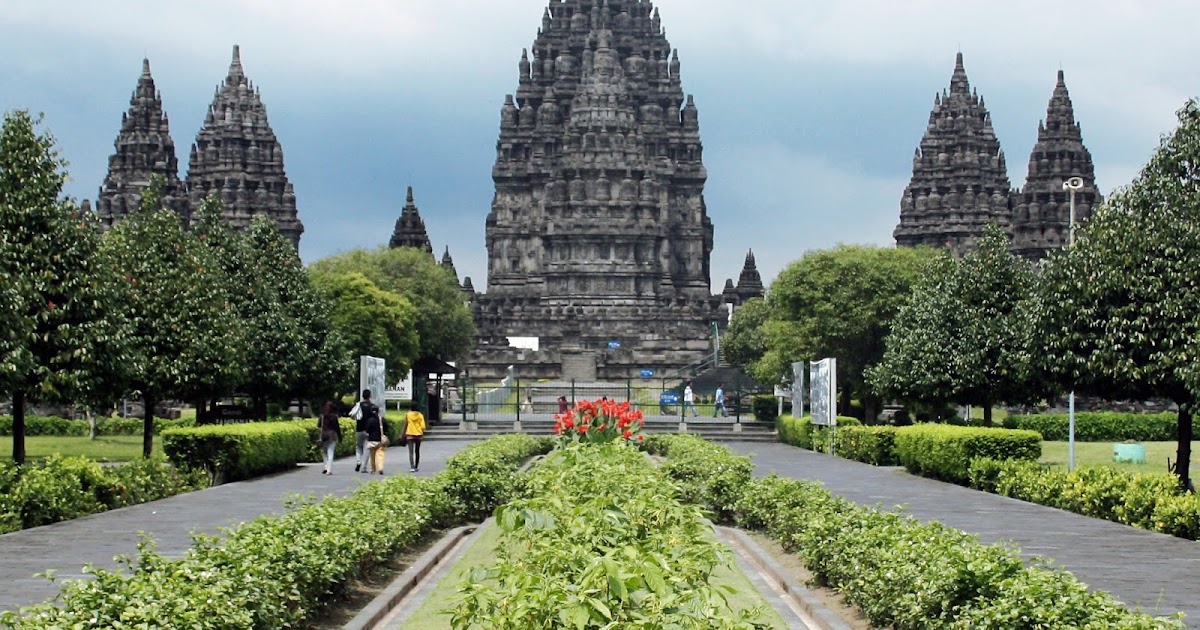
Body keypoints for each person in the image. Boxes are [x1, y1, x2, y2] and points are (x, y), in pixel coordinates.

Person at [349, 389, 378, 473]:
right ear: (370, 396)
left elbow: (352, 414)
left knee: (358, 446)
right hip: (369, 430)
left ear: (362, 396)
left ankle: (358, 461)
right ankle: (364, 467)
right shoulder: (372, 406)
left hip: (359, 429)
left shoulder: (359, 405)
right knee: (367, 448)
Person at [363, 393, 390, 475]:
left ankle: (372, 469)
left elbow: (367, 430)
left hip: (371, 440)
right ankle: (380, 468)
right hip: (380, 440)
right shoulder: (382, 419)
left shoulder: (370, 420)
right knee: (380, 455)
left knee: (372, 455)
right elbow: (386, 428)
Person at [316, 401, 342, 475]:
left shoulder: (322, 416)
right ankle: (329, 469)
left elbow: (318, 426)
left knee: (324, 452)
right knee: (330, 453)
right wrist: (340, 437)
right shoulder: (334, 416)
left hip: (324, 435)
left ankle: (325, 466)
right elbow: (337, 428)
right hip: (332, 435)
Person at [404, 402, 426, 473]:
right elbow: (423, 426)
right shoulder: (420, 415)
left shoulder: (408, 415)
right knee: (417, 451)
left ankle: (412, 466)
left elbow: (405, 424)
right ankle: (416, 466)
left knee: (411, 452)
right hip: (418, 435)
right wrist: (421, 432)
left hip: (410, 434)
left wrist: (402, 434)